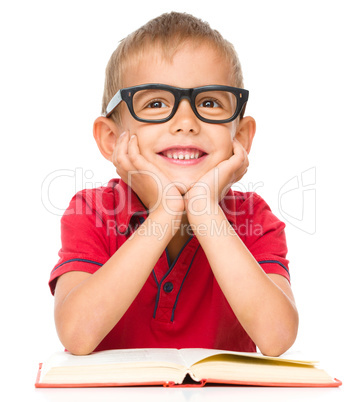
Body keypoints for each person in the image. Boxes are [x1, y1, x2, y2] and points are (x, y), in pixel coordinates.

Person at [50, 12, 298, 356]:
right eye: (155, 103)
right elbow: (77, 334)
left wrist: (204, 210)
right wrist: (166, 212)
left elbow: (277, 337)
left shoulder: (254, 218)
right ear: (111, 139)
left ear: (239, 136)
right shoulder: (91, 211)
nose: (185, 122)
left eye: (209, 103)